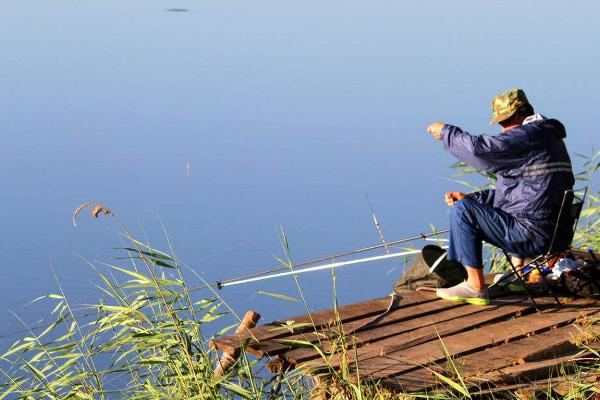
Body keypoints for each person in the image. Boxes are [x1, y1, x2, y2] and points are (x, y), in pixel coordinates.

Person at [426, 88, 574, 305]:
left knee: (462, 211)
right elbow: (523, 193)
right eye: (500, 123)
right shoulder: (549, 138)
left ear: (519, 114)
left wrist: (447, 133)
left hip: (533, 235)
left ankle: (475, 286)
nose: (502, 129)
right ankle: (519, 273)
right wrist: (473, 198)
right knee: (469, 205)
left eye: (505, 122)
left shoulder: (528, 135)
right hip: (555, 235)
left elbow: (481, 150)